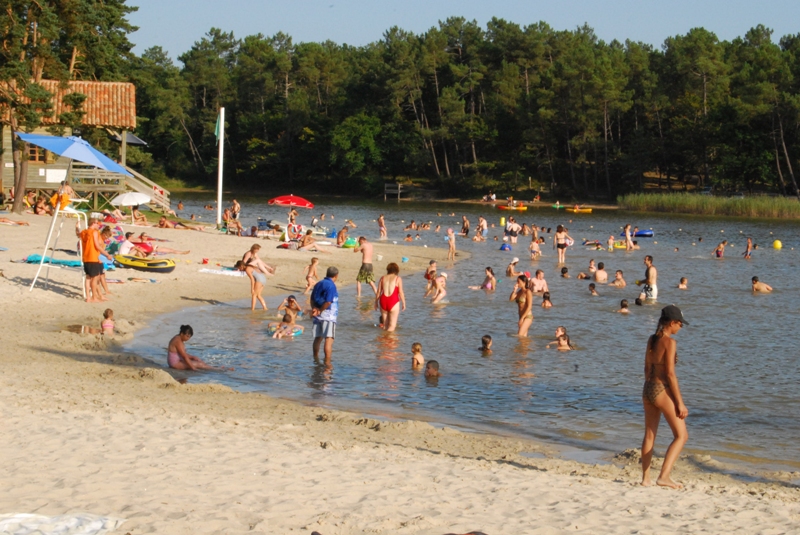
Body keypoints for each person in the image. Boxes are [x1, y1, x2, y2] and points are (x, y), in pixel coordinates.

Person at [641, 305, 689, 489]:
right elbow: (670, 374)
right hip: (661, 389)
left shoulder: (651, 339)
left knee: (649, 435)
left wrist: (650, 385)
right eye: (680, 324)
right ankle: (664, 476)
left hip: (647, 388)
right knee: (682, 435)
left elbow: (647, 368)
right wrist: (679, 403)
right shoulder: (670, 343)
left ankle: (646, 479)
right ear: (672, 323)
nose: (681, 328)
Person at [75, 217, 112, 303]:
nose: (98, 225)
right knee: (94, 278)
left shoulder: (84, 232)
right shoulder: (94, 232)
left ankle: (88, 297)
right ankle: (94, 297)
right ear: (93, 223)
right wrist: (107, 255)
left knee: (88, 278)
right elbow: (97, 246)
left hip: (85, 258)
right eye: (97, 223)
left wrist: (77, 227)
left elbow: (77, 234)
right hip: (93, 257)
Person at [167, 325, 232, 371]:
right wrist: (193, 368)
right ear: (181, 333)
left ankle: (216, 368)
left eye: (189, 337)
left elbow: (180, 354)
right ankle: (221, 370)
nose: (188, 339)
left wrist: (192, 357)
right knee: (199, 364)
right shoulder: (178, 341)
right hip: (175, 364)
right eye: (187, 336)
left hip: (177, 360)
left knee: (198, 361)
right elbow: (184, 356)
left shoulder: (178, 338)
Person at [311, 266, 339, 365]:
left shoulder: (318, 283)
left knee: (318, 338)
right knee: (329, 338)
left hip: (317, 316)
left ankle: (315, 359)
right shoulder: (331, 285)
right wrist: (320, 310)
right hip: (328, 316)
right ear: (336, 276)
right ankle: (327, 364)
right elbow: (328, 301)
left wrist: (314, 309)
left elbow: (312, 299)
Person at [376, 262, 406, 331]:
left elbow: (378, 292)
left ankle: (384, 340)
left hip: (383, 300)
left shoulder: (382, 278)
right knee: (392, 326)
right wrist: (404, 303)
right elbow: (401, 292)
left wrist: (376, 302)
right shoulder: (398, 278)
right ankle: (389, 341)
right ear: (396, 270)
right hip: (393, 300)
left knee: (385, 325)